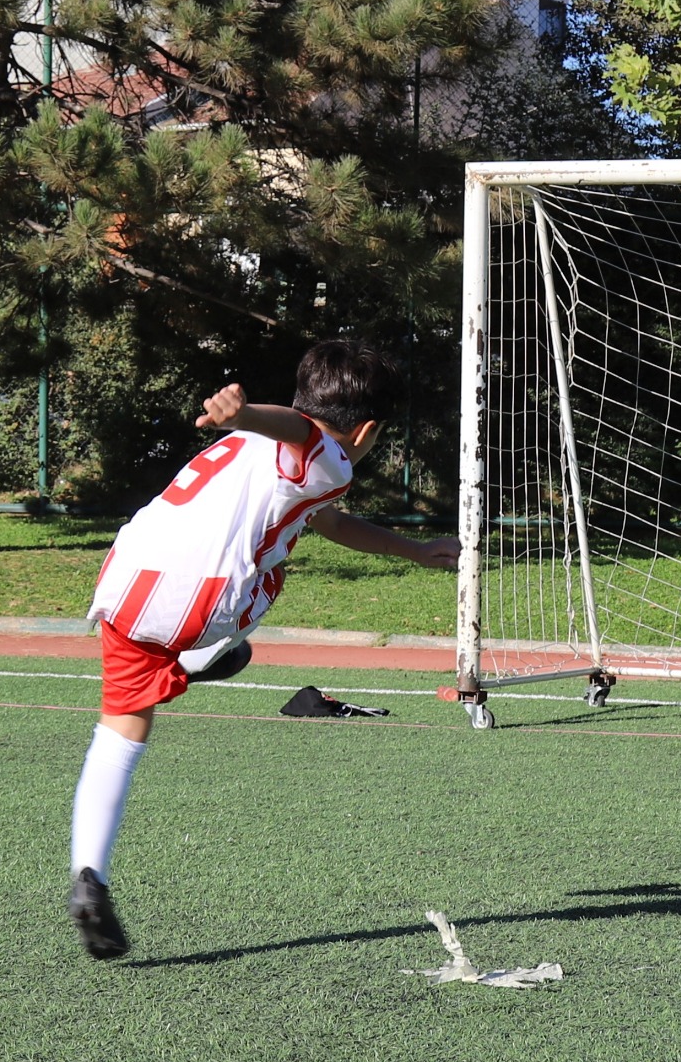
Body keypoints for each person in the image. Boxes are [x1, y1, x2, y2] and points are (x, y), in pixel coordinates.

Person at [67, 341, 460, 960]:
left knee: (120, 731)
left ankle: (90, 876)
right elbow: (301, 431)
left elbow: (328, 520)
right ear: (367, 430)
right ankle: (208, 653)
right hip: (202, 605)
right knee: (274, 567)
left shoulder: (247, 450)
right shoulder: (322, 452)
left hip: (124, 581)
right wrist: (246, 411)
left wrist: (414, 549)